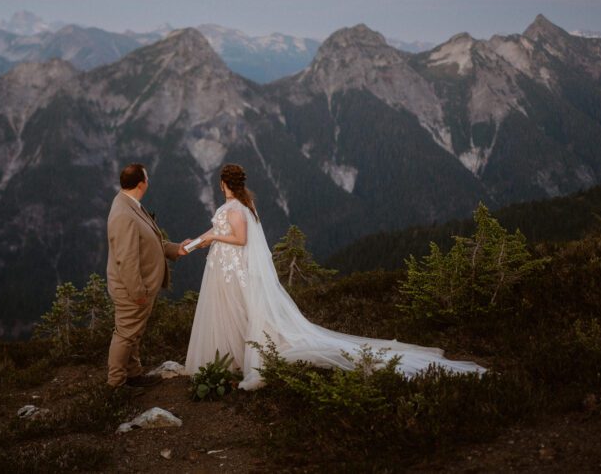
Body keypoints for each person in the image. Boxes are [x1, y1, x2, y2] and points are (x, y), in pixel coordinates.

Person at [184, 163, 486, 389]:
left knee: (238, 312)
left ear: (224, 183)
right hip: (224, 268)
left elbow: (238, 239)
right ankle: (232, 357)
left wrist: (213, 240)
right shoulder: (236, 206)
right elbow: (217, 230)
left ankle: (238, 359)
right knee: (231, 313)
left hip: (232, 268)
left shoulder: (236, 209)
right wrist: (197, 241)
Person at [106, 163, 189, 388]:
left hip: (138, 287)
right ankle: (115, 385)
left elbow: (148, 243)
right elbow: (126, 259)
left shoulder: (130, 204)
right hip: (132, 289)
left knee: (132, 333)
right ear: (142, 184)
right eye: (147, 178)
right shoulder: (124, 214)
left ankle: (134, 375)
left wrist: (176, 249)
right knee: (124, 335)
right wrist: (138, 292)